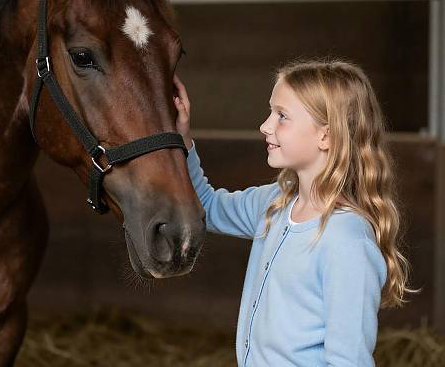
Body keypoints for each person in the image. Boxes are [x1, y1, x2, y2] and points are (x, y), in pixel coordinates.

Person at [173, 59, 415, 367]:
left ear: (325, 136)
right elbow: (207, 205)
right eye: (271, 112)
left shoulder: (347, 241)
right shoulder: (274, 204)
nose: (265, 126)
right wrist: (183, 139)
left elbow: (348, 361)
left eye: (281, 116)